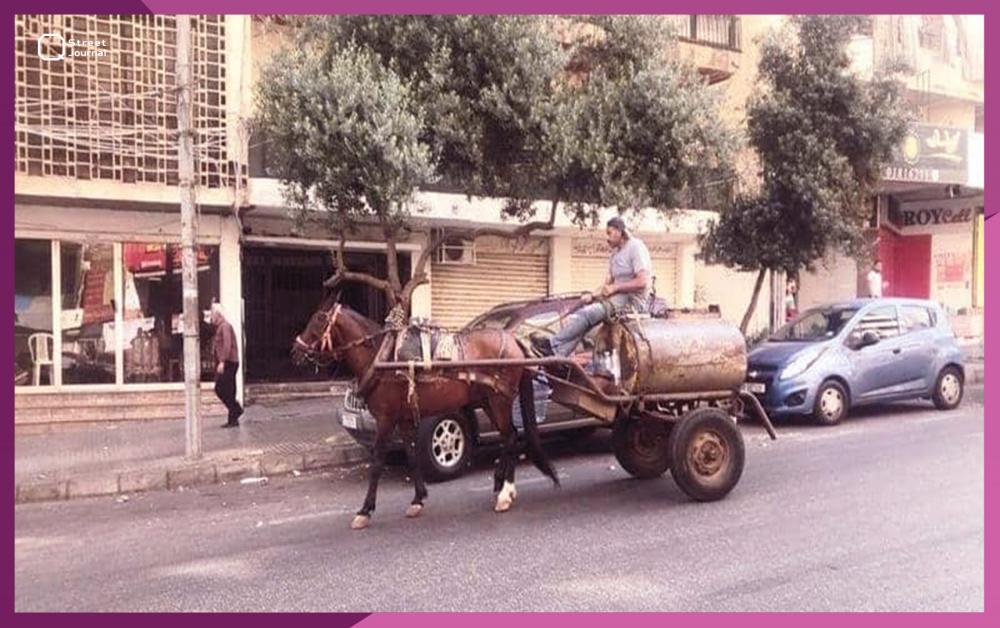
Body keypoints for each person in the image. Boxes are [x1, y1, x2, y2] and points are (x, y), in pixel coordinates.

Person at [536, 216, 653, 357]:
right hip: (618, 298)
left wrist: (616, 288)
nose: (607, 238)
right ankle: (560, 353)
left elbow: (642, 282)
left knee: (589, 314)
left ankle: (554, 344)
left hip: (633, 301)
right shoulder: (614, 254)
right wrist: (592, 295)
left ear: (619, 232)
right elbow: (607, 284)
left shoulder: (636, 247)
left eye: (609, 233)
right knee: (584, 316)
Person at [210, 303, 243, 428]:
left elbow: (227, 344)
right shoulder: (221, 327)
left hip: (229, 362)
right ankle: (233, 419)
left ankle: (236, 409)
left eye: (212, 314)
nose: (211, 317)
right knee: (230, 390)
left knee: (220, 388)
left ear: (218, 315)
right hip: (230, 361)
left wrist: (222, 361)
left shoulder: (224, 326)